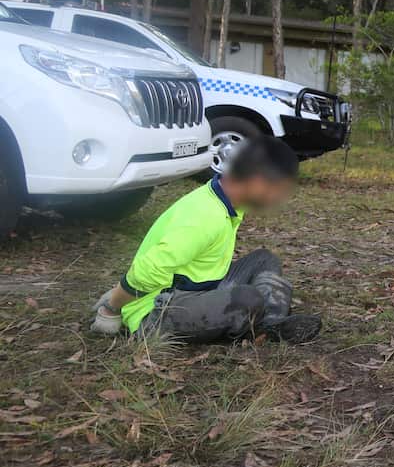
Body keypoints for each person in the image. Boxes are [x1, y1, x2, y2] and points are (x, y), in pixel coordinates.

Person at [90, 136, 321, 344]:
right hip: (157, 311)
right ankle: (256, 323)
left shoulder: (225, 200)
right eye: (276, 189)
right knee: (248, 299)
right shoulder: (205, 217)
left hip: (197, 287)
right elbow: (149, 270)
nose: (277, 198)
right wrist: (112, 307)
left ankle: (268, 323)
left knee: (263, 259)